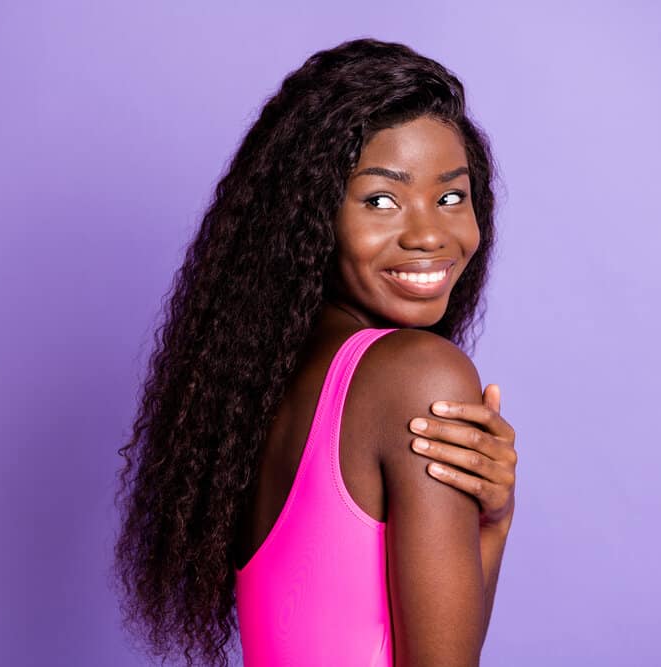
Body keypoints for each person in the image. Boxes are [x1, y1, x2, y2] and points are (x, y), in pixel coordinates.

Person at [114, 37, 518, 667]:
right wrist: (489, 529)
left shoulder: (261, 388)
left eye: (451, 196)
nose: (430, 233)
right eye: (381, 200)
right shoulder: (416, 375)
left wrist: (488, 525)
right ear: (311, 216)